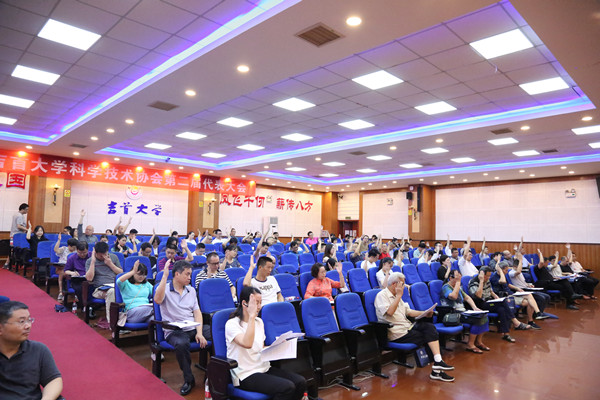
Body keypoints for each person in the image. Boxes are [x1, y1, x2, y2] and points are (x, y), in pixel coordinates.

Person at [226, 286, 307, 399]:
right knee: (287, 387)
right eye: (256, 303)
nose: (259, 306)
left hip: (263, 367)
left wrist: (277, 346)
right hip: (244, 374)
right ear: (244, 303)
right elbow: (247, 343)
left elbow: (260, 347)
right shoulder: (232, 324)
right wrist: (251, 317)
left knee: (300, 382)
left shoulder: (259, 322)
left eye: (260, 302)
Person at [375, 272, 455, 382]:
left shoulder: (397, 296)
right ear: (394, 284)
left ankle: (438, 362)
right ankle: (437, 370)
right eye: (402, 284)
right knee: (428, 336)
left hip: (407, 327)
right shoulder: (382, 295)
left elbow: (408, 311)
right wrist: (399, 296)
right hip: (397, 333)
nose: (404, 286)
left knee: (429, 328)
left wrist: (425, 313)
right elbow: (389, 312)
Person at [154, 260, 208, 396]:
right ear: (177, 274)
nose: (190, 277)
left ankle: (217, 374)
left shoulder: (191, 290)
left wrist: (199, 333)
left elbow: (197, 312)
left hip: (192, 327)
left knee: (218, 333)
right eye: (187, 274)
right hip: (174, 331)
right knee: (181, 344)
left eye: (190, 274)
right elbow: (158, 300)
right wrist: (164, 276)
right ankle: (189, 380)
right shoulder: (164, 289)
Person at [0, 301, 63, 400]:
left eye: (29, 320)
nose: (28, 326)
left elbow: (53, 380)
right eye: (21, 322)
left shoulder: (38, 350)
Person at [469, 267, 532, 343]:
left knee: (502, 309)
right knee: (503, 303)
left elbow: (490, 291)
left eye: (489, 276)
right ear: (481, 274)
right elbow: (478, 296)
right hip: (479, 304)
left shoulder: (487, 280)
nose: (488, 278)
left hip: (489, 301)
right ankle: (516, 322)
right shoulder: (473, 282)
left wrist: (495, 296)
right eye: (487, 276)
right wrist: (481, 281)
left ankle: (506, 334)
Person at [441, 270, 489, 353]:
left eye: (460, 278)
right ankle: (470, 345)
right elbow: (453, 296)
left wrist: (475, 308)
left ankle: (478, 342)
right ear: (450, 278)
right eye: (457, 278)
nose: (459, 280)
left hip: (462, 312)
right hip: (452, 314)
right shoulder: (446, 287)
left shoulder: (457, 287)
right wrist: (458, 282)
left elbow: (467, 297)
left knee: (484, 316)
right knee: (477, 319)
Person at [490, 261, 543, 329]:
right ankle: (531, 321)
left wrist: (517, 288)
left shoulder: (504, 275)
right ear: (501, 269)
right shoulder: (494, 277)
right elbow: (503, 281)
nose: (507, 272)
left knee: (529, 295)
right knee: (528, 302)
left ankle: (537, 314)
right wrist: (500, 271)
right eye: (506, 270)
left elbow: (508, 284)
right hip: (505, 296)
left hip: (511, 293)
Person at [85, 242, 122, 323]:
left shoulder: (113, 257)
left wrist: (110, 264)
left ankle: (125, 319)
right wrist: (93, 262)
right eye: (100, 256)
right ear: (95, 253)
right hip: (99, 289)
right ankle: (112, 323)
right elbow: (89, 278)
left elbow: (121, 273)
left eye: (105, 254)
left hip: (115, 286)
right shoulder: (90, 261)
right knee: (112, 292)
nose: (103, 257)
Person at [64, 242, 91, 308]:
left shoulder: (92, 256)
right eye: (79, 253)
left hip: (91, 278)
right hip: (78, 279)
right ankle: (84, 306)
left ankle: (91, 305)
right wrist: (72, 273)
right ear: (76, 250)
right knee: (79, 289)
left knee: (91, 288)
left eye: (84, 252)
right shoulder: (72, 258)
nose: (82, 255)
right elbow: (66, 271)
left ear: (87, 250)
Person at [53, 235, 79, 302]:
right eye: (73, 247)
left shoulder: (76, 251)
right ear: (69, 246)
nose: (74, 249)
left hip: (71, 269)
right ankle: (60, 292)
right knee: (62, 272)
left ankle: (76, 292)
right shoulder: (64, 249)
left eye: (75, 247)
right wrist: (59, 240)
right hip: (61, 268)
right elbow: (56, 250)